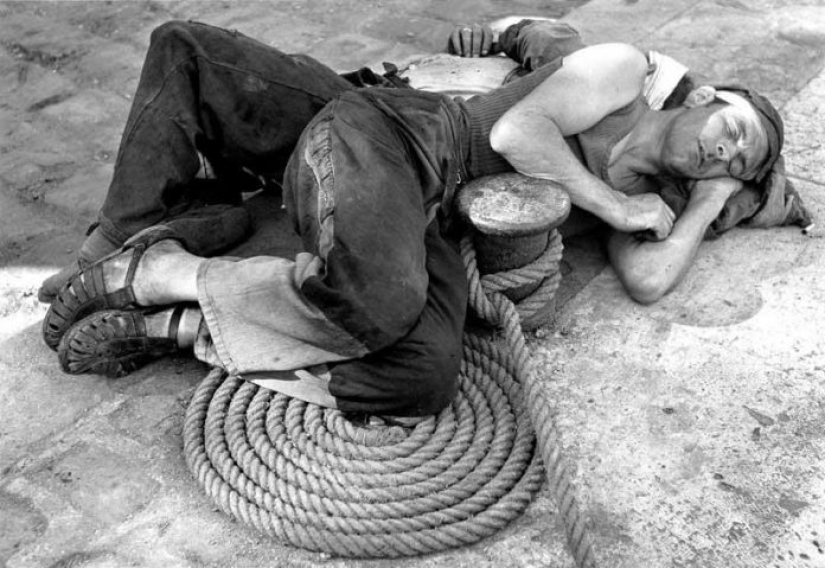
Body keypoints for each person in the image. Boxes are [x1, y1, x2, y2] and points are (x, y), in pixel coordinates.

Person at [41, 18, 791, 419]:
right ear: (702, 97)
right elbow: (515, 133)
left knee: (420, 378)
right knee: (380, 299)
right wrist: (614, 204)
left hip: (425, 217)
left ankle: (176, 320)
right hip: (401, 135)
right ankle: (146, 262)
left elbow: (650, 279)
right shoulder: (624, 72)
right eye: (732, 130)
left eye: (738, 161)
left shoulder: (657, 193)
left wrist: (705, 202)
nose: (725, 151)